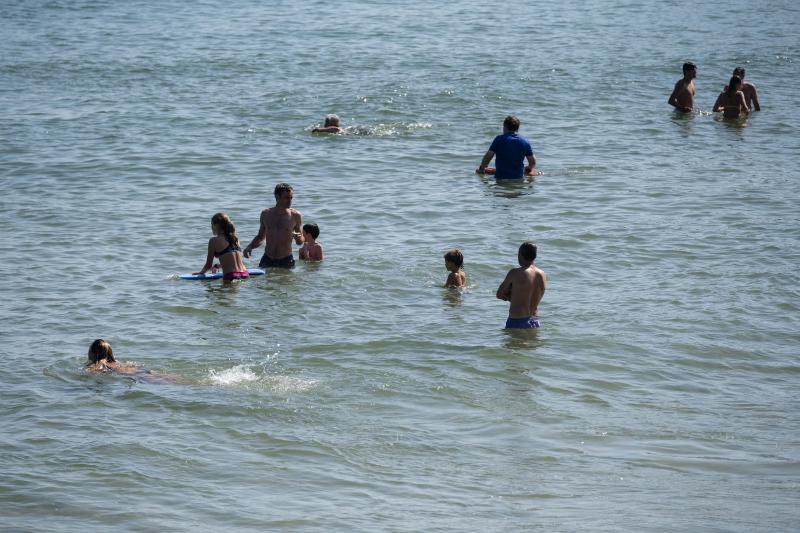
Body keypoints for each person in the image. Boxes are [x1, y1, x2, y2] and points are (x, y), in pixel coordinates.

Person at [244, 183, 303, 268]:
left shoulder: (295, 215)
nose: (290, 201)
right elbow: (260, 237)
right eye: (286, 198)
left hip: (286, 259)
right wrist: (250, 247)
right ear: (277, 197)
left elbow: (300, 242)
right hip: (267, 258)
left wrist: (298, 238)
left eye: (291, 198)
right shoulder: (266, 214)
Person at [496, 241, 547, 329]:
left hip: (517, 320)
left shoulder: (515, 273)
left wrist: (511, 298)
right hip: (535, 320)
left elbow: (499, 294)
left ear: (520, 255)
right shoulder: (542, 274)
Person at [86, 339, 183, 383]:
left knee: (170, 383)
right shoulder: (116, 361)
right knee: (173, 379)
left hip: (137, 376)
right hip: (141, 371)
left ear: (94, 353)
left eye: (90, 350)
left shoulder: (100, 364)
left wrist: (96, 366)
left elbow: (89, 374)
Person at [193, 212, 249, 280]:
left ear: (216, 225)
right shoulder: (235, 239)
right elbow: (234, 261)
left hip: (231, 276)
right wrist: (218, 266)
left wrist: (200, 273)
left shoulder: (213, 241)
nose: (211, 227)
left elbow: (208, 265)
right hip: (245, 274)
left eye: (211, 224)